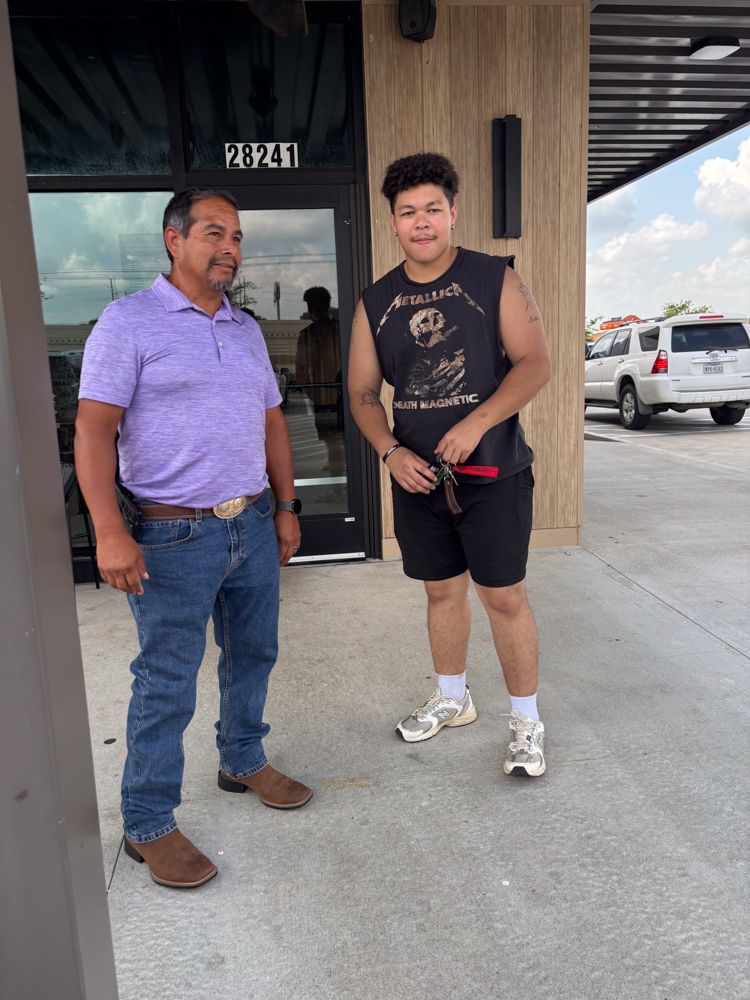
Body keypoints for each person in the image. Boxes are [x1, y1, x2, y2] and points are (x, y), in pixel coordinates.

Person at [75, 188, 311, 890]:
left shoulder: (243, 328)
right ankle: (147, 822)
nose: (229, 247)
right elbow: (93, 429)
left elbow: (272, 420)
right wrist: (110, 531)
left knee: (254, 653)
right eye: (214, 233)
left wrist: (288, 507)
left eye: (236, 236)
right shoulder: (128, 322)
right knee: (167, 680)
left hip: (251, 523)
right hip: (171, 535)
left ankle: (242, 759)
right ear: (173, 240)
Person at [348, 153, 552, 777]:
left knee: (505, 597)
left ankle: (525, 722)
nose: (422, 222)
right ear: (393, 222)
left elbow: (535, 363)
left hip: (492, 474)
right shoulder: (376, 300)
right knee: (441, 592)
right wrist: (390, 451)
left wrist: (476, 422)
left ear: (452, 212)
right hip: (418, 479)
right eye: (408, 212)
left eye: (433, 208)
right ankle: (453, 697)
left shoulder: (495, 279)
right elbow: (361, 395)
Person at [295, 286, 341, 436]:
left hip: (326, 399)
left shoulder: (307, 335)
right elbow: (301, 374)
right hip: (338, 398)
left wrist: (314, 392)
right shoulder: (342, 330)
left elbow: (301, 372)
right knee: (347, 443)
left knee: (333, 444)